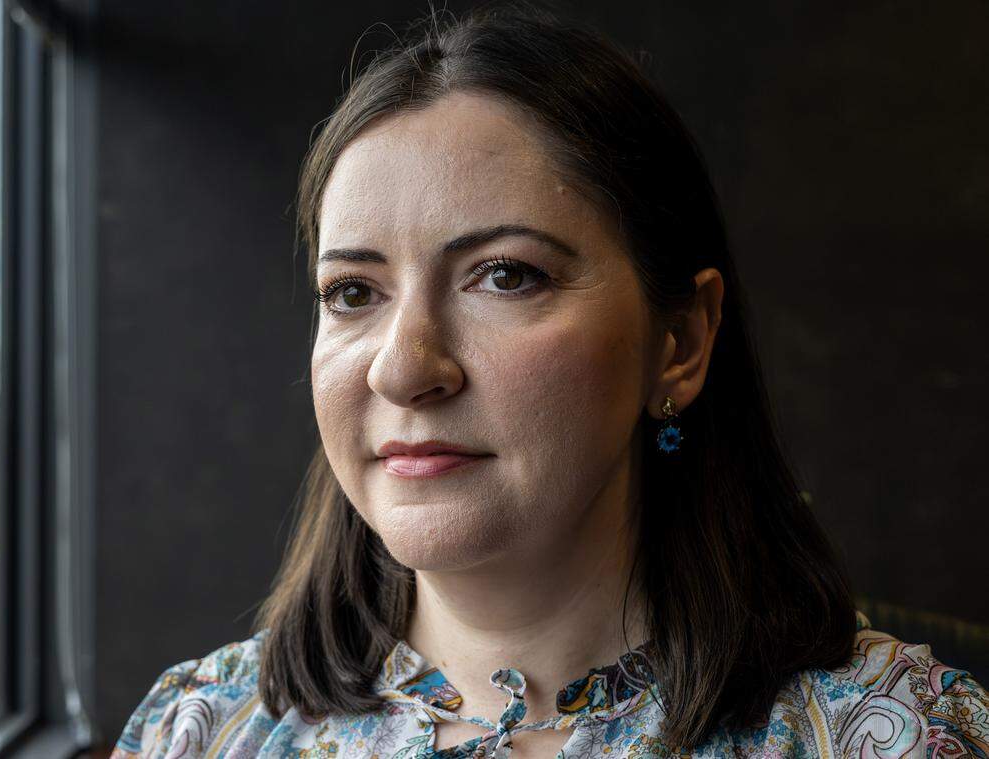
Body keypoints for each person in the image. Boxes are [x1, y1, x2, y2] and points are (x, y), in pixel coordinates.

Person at [110, 3, 989, 757]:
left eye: (505, 275)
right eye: (352, 292)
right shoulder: (198, 730)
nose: (404, 366)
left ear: (678, 340)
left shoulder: (904, 735)